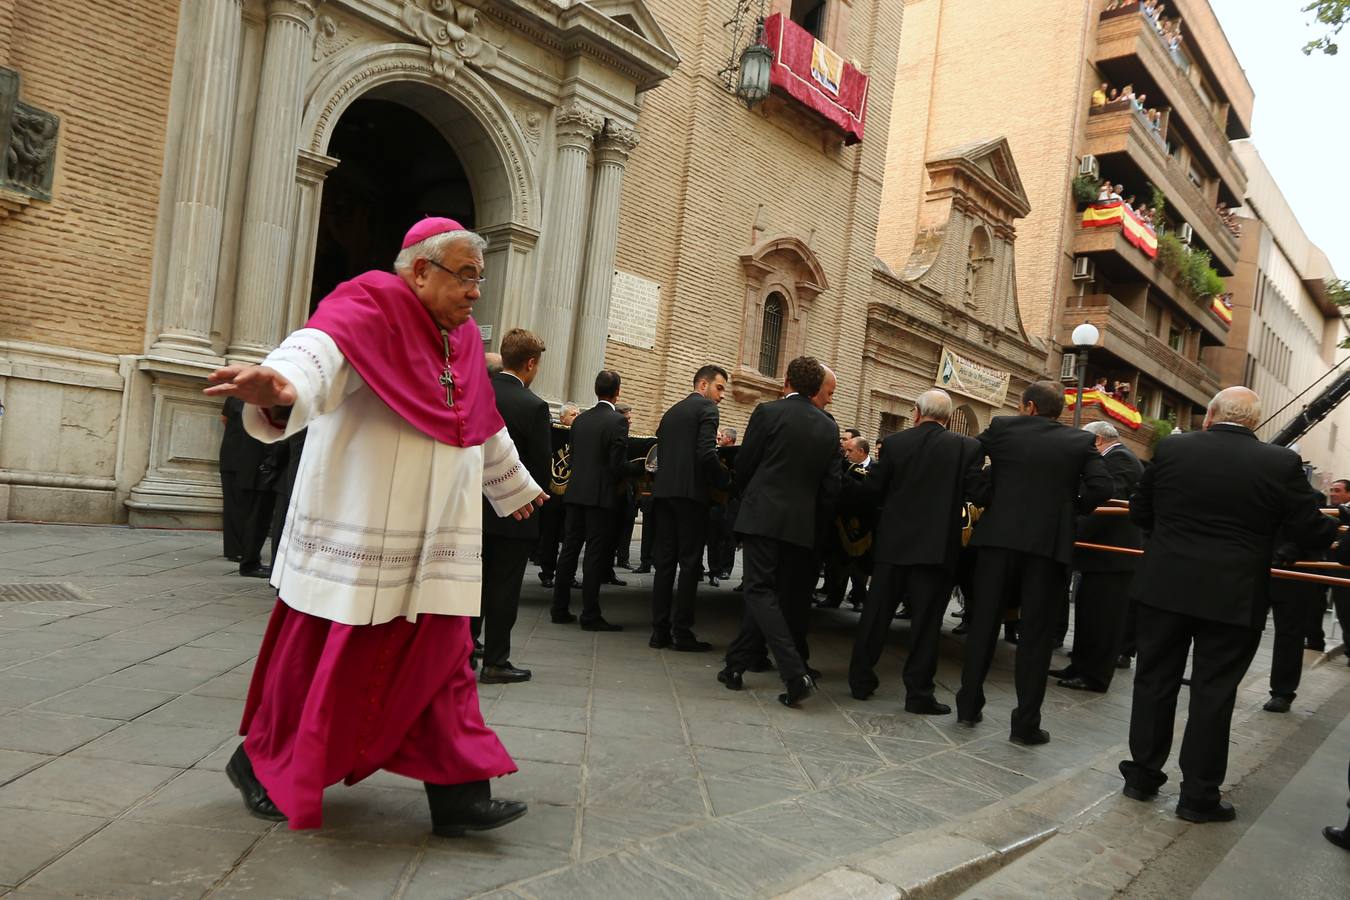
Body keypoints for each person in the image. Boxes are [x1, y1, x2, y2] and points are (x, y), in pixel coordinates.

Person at [206, 217, 543, 836]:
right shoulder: (369, 305)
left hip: (438, 538)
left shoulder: (462, 341)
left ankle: (460, 794)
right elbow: (317, 353)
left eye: (479, 278)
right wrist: (279, 385)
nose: (476, 292)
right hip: (359, 535)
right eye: (465, 276)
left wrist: (511, 484)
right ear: (420, 270)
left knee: (446, 666)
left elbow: (477, 417)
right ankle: (255, 762)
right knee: (321, 666)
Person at [1119, 387, 1337, 823]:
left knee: (1153, 681)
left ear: (1210, 415)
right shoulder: (1280, 463)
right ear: (1254, 422)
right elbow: (1312, 530)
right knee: (1213, 693)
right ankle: (1197, 796)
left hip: (1165, 585)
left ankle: (1141, 776)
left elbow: (1140, 511)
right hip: (1234, 593)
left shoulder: (1174, 449)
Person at [955, 381, 1112, 744]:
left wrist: (986, 496)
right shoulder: (1079, 441)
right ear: (1057, 411)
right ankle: (1025, 723)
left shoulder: (1002, 428)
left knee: (983, 623)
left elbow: (969, 460)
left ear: (1027, 406)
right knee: (1036, 637)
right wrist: (1071, 508)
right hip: (1047, 546)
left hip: (997, 541)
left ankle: (968, 705)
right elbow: (1103, 486)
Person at [849, 389, 983, 712]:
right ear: (948, 418)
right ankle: (918, 694)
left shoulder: (895, 444)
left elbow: (873, 490)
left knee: (876, 615)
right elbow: (977, 492)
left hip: (894, 545)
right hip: (937, 551)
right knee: (926, 625)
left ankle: (861, 680)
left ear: (916, 412)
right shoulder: (968, 447)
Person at [719, 357, 841, 707]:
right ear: (817, 386)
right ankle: (735, 666)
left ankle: (794, 673)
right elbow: (831, 487)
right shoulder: (829, 427)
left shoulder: (767, 413)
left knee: (759, 590)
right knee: (771, 595)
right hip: (801, 524)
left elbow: (745, 463)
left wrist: (743, 494)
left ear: (786, 381)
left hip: (763, 515)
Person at [474, 329, 551, 685]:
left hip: (472, 508)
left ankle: (463, 651)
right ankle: (496, 660)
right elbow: (540, 465)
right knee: (503, 589)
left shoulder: (478, 393)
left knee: (471, 585)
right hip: (514, 512)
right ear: (530, 363)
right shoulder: (534, 406)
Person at [1051, 422, 1144, 693]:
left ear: (1098, 439)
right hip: (1099, 556)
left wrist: (1072, 528)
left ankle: (1094, 675)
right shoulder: (1113, 457)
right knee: (1089, 612)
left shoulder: (1121, 459)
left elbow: (1105, 502)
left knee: (1104, 619)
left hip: (1114, 558)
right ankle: (1080, 665)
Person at [649, 365, 732, 651]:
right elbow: (706, 453)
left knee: (665, 563)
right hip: (690, 495)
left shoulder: (671, 412)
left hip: (663, 493)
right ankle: (682, 632)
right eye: (719, 388)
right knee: (690, 564)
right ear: (703, 385)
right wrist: (726, 481)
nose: (722, 396)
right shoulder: (707, 410)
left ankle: (659, 632)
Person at [551, 370, 642, 631]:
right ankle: (590, 614)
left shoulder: (580, 421)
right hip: (600, 497)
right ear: (618, 391)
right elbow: (616, 465)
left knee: (569, 550)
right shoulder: (618, 422)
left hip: (576, 492)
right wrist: (639, 469)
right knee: (593, 554)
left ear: (595, 390)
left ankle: (559, 608)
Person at [218, 397, 277, 578]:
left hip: (233, 454)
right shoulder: (266, 399)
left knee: (234, 505)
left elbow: (224, 420)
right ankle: (245, 553)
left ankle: (235, 549)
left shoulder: (235, 396)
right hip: (252, 459)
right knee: (252, 510)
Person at [821, 436, 874, 610]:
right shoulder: (843, 466)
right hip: (841, 523)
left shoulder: (875, 469)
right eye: (845, 450)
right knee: (837, 562)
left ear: (861, 451)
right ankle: (833, 596)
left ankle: (859, 597)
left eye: (850, 451)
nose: (846, 454)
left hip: (865, 526)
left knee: (860, 566)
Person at [535, 404, 578, 589]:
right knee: (550, 537)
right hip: (552, 494)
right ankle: (547, 572)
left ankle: (569, 574)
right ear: (562, 418)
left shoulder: (581, 435)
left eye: (579, 414)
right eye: (573, 414)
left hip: (572, 495)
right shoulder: (552, 434)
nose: (577, 417)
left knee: (571, 539)